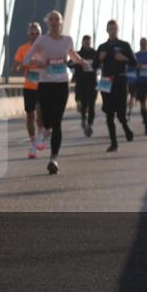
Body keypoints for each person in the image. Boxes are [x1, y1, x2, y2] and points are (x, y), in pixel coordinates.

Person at [23, 10, 85, 174]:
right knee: (48, 121)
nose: (54, 22)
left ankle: (54, 158)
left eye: (57, 19)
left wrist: (81, 62)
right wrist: (38, 63)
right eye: (51, 19)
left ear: (61, 22)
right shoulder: (42, 41)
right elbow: (26, 59)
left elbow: (72, 55)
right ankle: (44, 130)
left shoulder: (67, 40)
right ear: (48, 23)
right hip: (45, 84)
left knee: (57, 122)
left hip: (61, 84)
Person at [94, 20, 137, 152]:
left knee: (121, 113)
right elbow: (94, 66)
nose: (112, 31)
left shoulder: (124, 45)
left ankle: (126, 127)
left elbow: (135, 62)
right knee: (109, 114)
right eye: (110, 28)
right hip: (106, 81)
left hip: (120, 80)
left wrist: (124, 59)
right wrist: (100, 59)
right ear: (107, 30)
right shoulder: (102, 47)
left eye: (114, 28)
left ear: (117, 30)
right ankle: (114, 143)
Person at [14, 22, 45, 158]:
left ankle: (40, 134)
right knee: (30, 116)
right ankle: (32, 143)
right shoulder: (23, 49)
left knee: (40, 112)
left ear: (41, 34)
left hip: (43, 85)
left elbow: (53, 64)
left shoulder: (45, 48)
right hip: (29, 86)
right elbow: (15, 68)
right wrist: (25, 64)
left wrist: (41, 64)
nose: (34, 35)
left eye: (37, 33)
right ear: (28, 34)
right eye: (32, 33)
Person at [73, 34, 98, 137]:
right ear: (82, 42)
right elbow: (71, 63)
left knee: (91, 105)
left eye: (89, 42)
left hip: (92, 82)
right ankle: (83, 119)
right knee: (83, 104)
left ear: (90, 43)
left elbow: (100, 64)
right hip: (81, 82)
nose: (87, 44)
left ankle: (90, 124)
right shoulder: (78, 54)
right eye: (85, 42)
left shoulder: (95, 53)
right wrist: (78, 63)